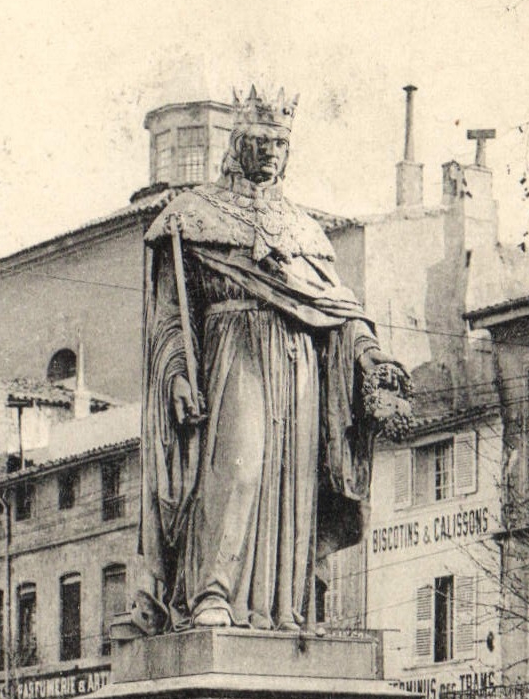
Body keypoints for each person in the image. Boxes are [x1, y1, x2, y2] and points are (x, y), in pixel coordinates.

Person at [132, 85, 410, 636]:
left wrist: (371, 357)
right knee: (239, 467)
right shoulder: (190, 217)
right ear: (237, 143)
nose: (269, 153)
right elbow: (169, 315)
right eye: (258, 140)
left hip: (299, 366)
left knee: (292, 479)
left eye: (279, 142)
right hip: (231, 354)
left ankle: (286, 606)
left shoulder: (304, 231)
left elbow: (336, 309)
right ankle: (212, 592)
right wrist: (178, 375)